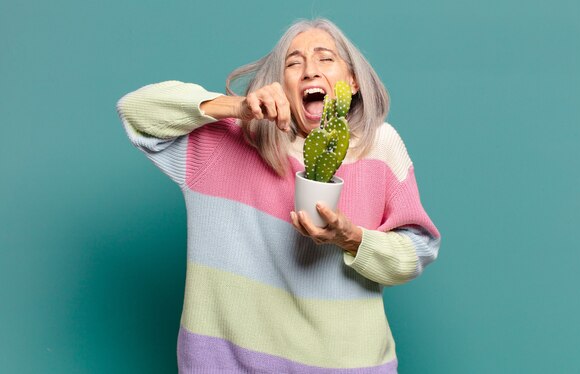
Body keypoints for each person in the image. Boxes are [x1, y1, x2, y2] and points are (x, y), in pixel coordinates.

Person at [117, 18, 441, 374]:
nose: (308, 71)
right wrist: (236, 107)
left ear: (351, 81)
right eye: (293, 63)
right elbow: (135, 111)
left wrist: (352, 239)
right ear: (281, 85)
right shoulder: (227, 142)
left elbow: (418, 249)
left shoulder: (380, 146)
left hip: (351, 365)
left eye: (325, 58)